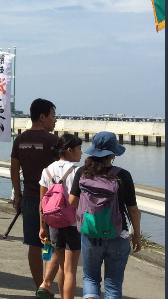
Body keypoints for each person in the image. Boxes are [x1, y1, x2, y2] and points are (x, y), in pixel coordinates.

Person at [69, 132, 141, 299]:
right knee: (113, 284)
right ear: (113, 153)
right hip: (118, 234)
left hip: (89, 234)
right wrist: (136, 235)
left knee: (90, 279)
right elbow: (133, 209)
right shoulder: (122, 175)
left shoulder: (82, 173)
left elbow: (72, 201)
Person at [10, 98, 60, 295]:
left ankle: (39, 286)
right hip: (53, 201)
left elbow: (14, 170)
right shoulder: (54, 141)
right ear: (42, 117)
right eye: (53, 116)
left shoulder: (20, 140)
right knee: (56, 243)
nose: (55, 121)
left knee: (33, 244)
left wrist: (17, 195)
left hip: (29, 199)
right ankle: (46, 284)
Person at [37, 133, 82, 299]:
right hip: (72, 224)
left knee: (63, 267)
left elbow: (42, 202)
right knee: (70, 270)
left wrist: (42, 227)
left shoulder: (47, 170)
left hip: (54, 224)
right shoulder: (77, 171)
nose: (81, 152)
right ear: (69, 150)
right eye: (79, 149)